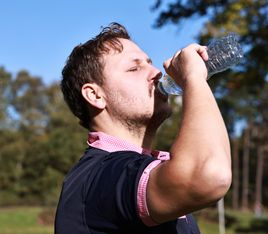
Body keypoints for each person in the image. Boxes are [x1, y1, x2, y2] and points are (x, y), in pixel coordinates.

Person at [55, 22, 231, 234]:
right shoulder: (102, 177)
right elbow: (210, 174)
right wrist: (193, 77)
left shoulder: (140, 171)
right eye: (134, 68)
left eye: (150, 63)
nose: (156, 72)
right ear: (95, 95)